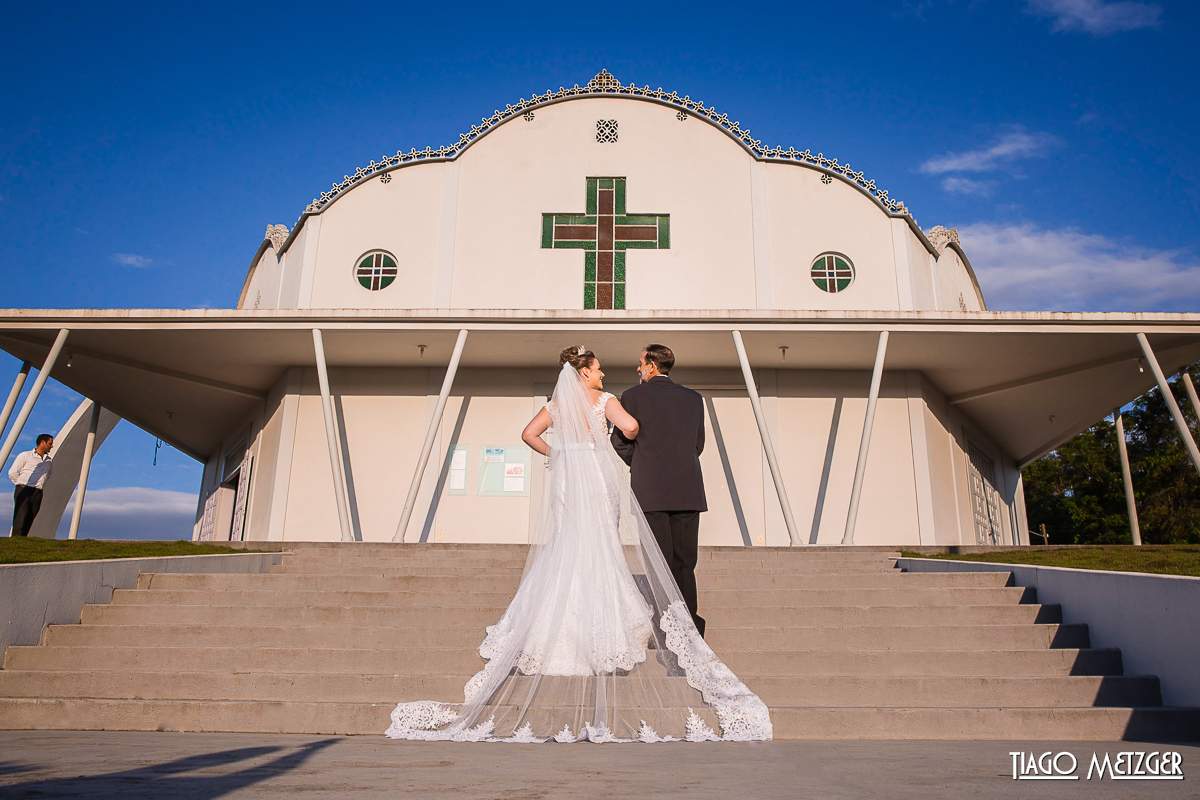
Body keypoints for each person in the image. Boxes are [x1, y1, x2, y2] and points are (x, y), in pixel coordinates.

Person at [385, 346, 770, 743]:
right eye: (598, 369)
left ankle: (548, 626)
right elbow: (634, 429)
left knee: (567, 542)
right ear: (584, 372)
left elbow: (528, 434)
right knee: (602, 542)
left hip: (569, 473)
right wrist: (613, 438)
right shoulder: (607, 399)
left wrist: (561, 453)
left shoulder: (557, 403)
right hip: (597, 471)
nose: (604, 373)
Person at [610, 344, 708, 636]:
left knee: (658, 563)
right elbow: (697, 444)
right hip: (688, 490)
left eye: (640, 363)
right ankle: (691, 628)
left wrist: (641, 463)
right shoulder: (694, 399)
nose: (638, 369)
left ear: (651, 366)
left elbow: (619, 441)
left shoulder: (632, 396)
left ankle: (666, 630)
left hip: (650, 493)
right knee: (684, 563)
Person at [9, 434, 54, 537]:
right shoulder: (26, 455)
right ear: (42, 443)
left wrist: (39, 486)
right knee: (20, 518)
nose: (52, 446)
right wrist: (21, 484)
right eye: (50, 443)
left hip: (37, 493)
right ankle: (15, 541)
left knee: (30, 518)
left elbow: (48, 475)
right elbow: (12, 472)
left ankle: (22, 541)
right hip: (24, 489)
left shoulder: (49, 461)